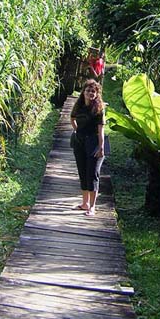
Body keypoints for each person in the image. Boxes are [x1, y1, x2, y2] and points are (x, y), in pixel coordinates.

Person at [70, 79, 106, 217]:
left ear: (97, 94)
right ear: (83, 92)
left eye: (93, 91)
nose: (90, 93)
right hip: (80, 142)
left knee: (92, 174)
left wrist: (101, 147)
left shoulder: (98, 109)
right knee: (83, 172)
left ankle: (92, 207)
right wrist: (78, 130)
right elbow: (72, 118)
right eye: (88, 90)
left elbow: (101, 130)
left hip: (94, 143)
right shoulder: (79, 106)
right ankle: (84, 203)